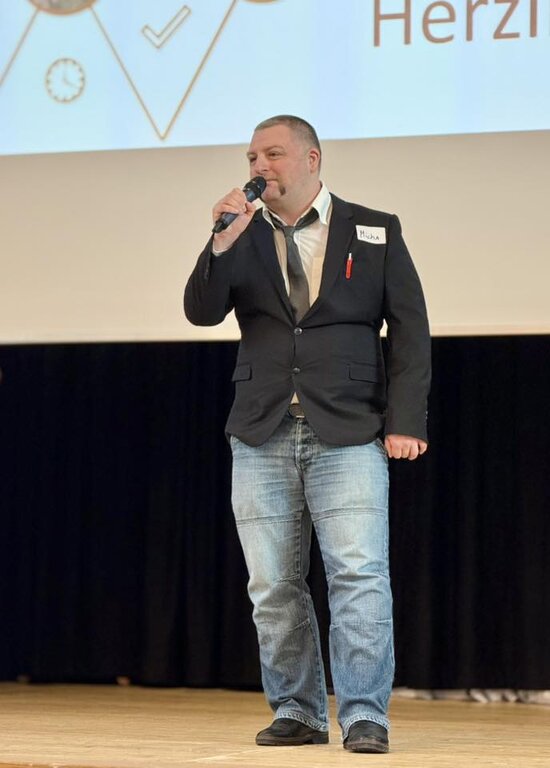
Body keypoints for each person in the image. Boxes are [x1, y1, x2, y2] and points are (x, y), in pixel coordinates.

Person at [184, 115, 431, 753]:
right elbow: (202, 312)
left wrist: (405, 420)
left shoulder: (374, 228)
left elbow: (409, 329)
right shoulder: (240, 231)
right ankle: (297, 709)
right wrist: (219, 243)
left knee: (358, 574)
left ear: (312, 159)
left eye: (273, 154)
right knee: (272, 584)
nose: (258, 166)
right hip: (260, 428)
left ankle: (365, 714)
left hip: (349, 425)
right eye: (251, 156)